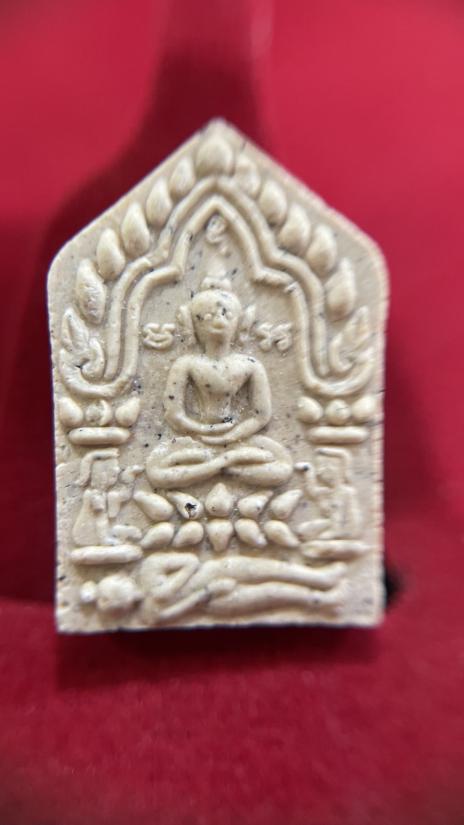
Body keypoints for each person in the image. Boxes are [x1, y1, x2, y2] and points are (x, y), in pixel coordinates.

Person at [146, 277, 292, 489]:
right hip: (196, 441)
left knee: (282, 466)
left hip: (238, 439)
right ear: (193, 325)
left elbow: (261, 416)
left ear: (240, 324)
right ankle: (224, 465)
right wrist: (202, 430)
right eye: (207, 316)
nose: (219, 321)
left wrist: (234, 435)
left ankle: (217, 466)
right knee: (156, 471)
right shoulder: (186, 364)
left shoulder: (250, 365)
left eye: (227, 315)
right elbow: (174, 414)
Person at [140, 552, 346, 623]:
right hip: (212, 600)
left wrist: (167, 589)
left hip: (212, 571)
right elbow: (176, 612)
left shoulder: (151, 566)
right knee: (272, 593)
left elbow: (191, 561)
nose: (128, 600)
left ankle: (321, 577)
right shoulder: (148, 613)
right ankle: (322, 601)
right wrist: (207, 592)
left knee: (270, 569)